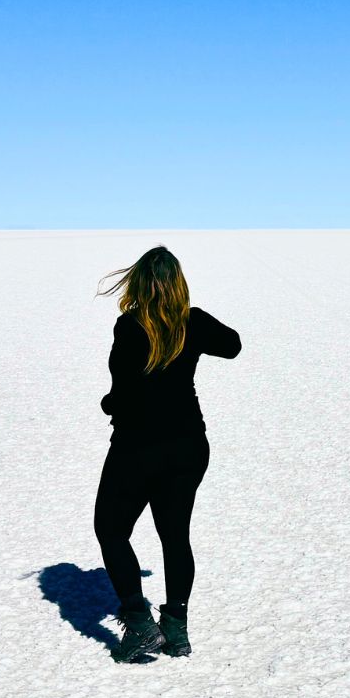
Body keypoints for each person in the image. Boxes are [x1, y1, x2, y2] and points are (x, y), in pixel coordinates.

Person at [93, 246, 242, 663]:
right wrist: (193, 325)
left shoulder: (130, 325)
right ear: (178, 283)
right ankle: (176, 629)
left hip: (138, 447)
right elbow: (232, 346)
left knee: (110, 527)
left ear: (139, 283)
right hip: (188, 446)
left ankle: (140, 624)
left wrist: (108, 405)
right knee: (175, 535)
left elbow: (123, 392)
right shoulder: (191, 321)